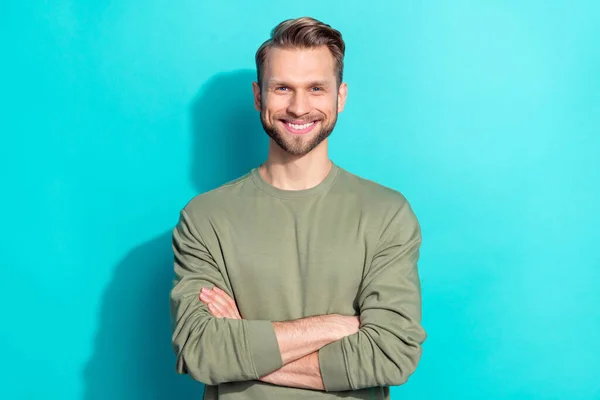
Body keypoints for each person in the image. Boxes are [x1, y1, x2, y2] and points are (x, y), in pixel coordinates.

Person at [169, 16, 427, 400]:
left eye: (316, 88)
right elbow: (201, 351)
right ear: (259, 96)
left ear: (340, 96)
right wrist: (335, 325)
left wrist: (245, 350)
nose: (299, 107)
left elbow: (391, 355)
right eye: (283, 88)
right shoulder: (205, 218)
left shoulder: (386, 213)